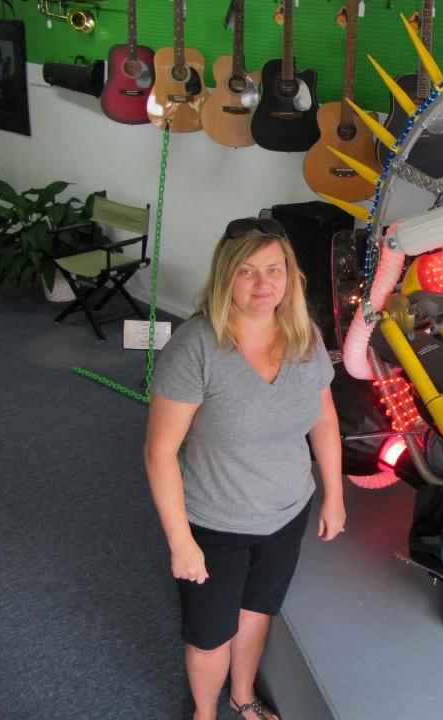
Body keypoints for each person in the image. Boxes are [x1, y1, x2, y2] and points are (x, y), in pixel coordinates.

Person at [144, 217, 345, 720]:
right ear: (225, 277)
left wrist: (333, 495)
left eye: (274, 270)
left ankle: (244, 697)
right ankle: (205, 714)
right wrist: (180, 541)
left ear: (289, 275)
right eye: (248, 272)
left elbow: (324, 418)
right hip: (216, 524)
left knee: (257, 612)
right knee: (210, 635)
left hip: (286, 511)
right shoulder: (195, 348)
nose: (263, 285)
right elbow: (159, 452)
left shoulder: (306, 336)